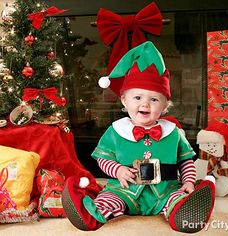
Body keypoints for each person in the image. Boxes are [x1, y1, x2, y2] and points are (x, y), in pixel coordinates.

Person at [62, 41, 215, 233]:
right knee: (109, 200)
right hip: (125, 190)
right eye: (137, 98)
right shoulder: (116, 130)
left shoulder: (173, 132)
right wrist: (117, 170)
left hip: (164, 191)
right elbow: (103, 158)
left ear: (165, 105)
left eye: (154, 99)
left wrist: (189, 182)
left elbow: (186, 162)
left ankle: (185, 213)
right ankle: (89, 214)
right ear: (124, 100)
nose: (145, 104)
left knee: (176, 199)